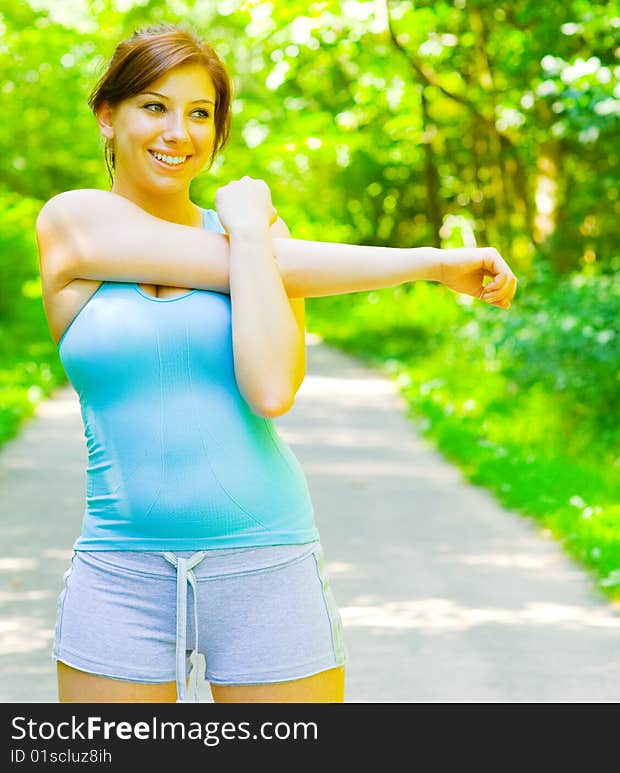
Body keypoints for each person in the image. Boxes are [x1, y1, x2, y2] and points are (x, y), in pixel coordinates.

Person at [34, 22, 517, 704]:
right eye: (154, 105)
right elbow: (246, 264)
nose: (179, 132)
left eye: (201, 113)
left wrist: (257, 230)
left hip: (267, 565)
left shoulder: (258, 242)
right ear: (107, 115)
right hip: (120, 574)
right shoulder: (73, 222)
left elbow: (269, 388)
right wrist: (433, 265)